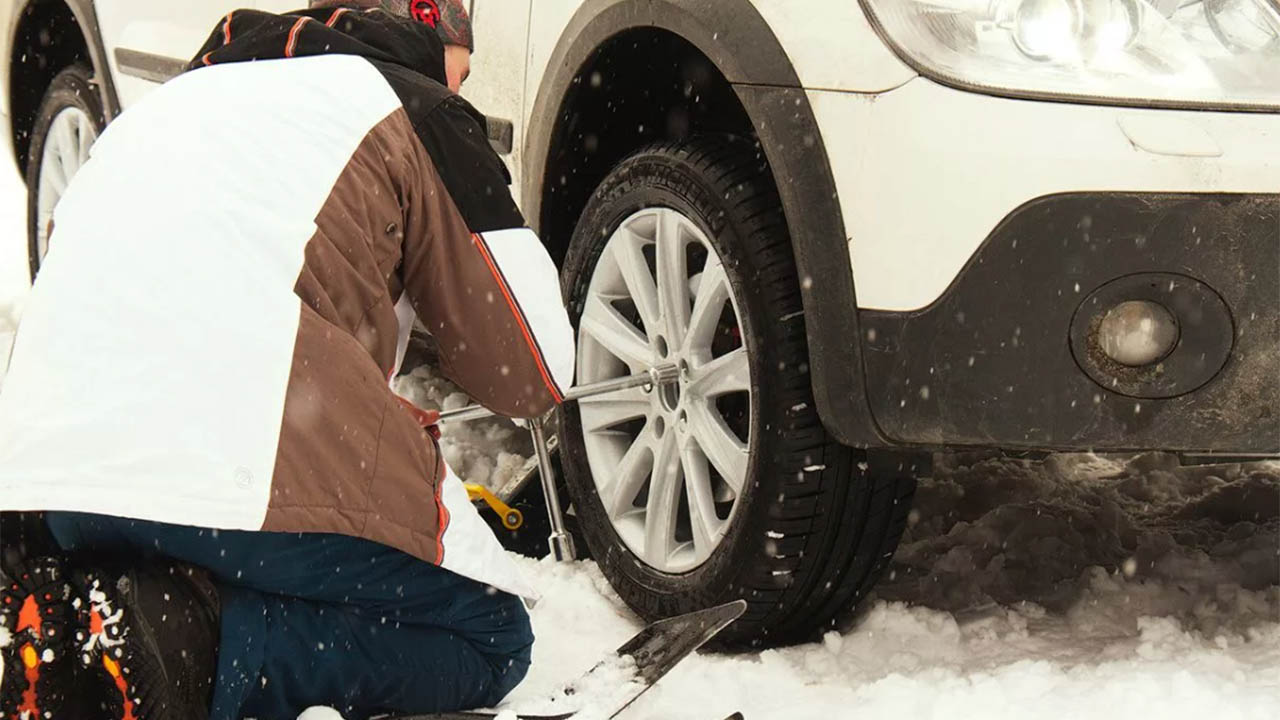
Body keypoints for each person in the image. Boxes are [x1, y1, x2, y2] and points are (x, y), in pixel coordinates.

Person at [0, 3, 574, 719]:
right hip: (231, 476)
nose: (462, 89)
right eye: (462, 70)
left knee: (167, 531)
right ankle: (187, 642)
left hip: (49, 489)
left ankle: (62, 610)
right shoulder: (414, 103)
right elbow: (534, 369)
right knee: (489, 634)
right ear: (434, 41)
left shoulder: (171, 101)